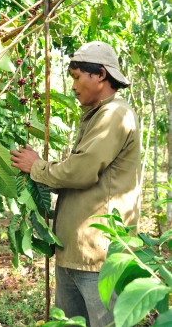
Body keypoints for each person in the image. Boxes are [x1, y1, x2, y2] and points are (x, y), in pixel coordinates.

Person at [10, 41, 141, 327]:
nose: (72, 86)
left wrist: (37, 167)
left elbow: (81, 172)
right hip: (74, 252)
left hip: (98, 256)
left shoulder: (114, 114)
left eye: (77, 76)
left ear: (101, 75)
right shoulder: (97, 115)